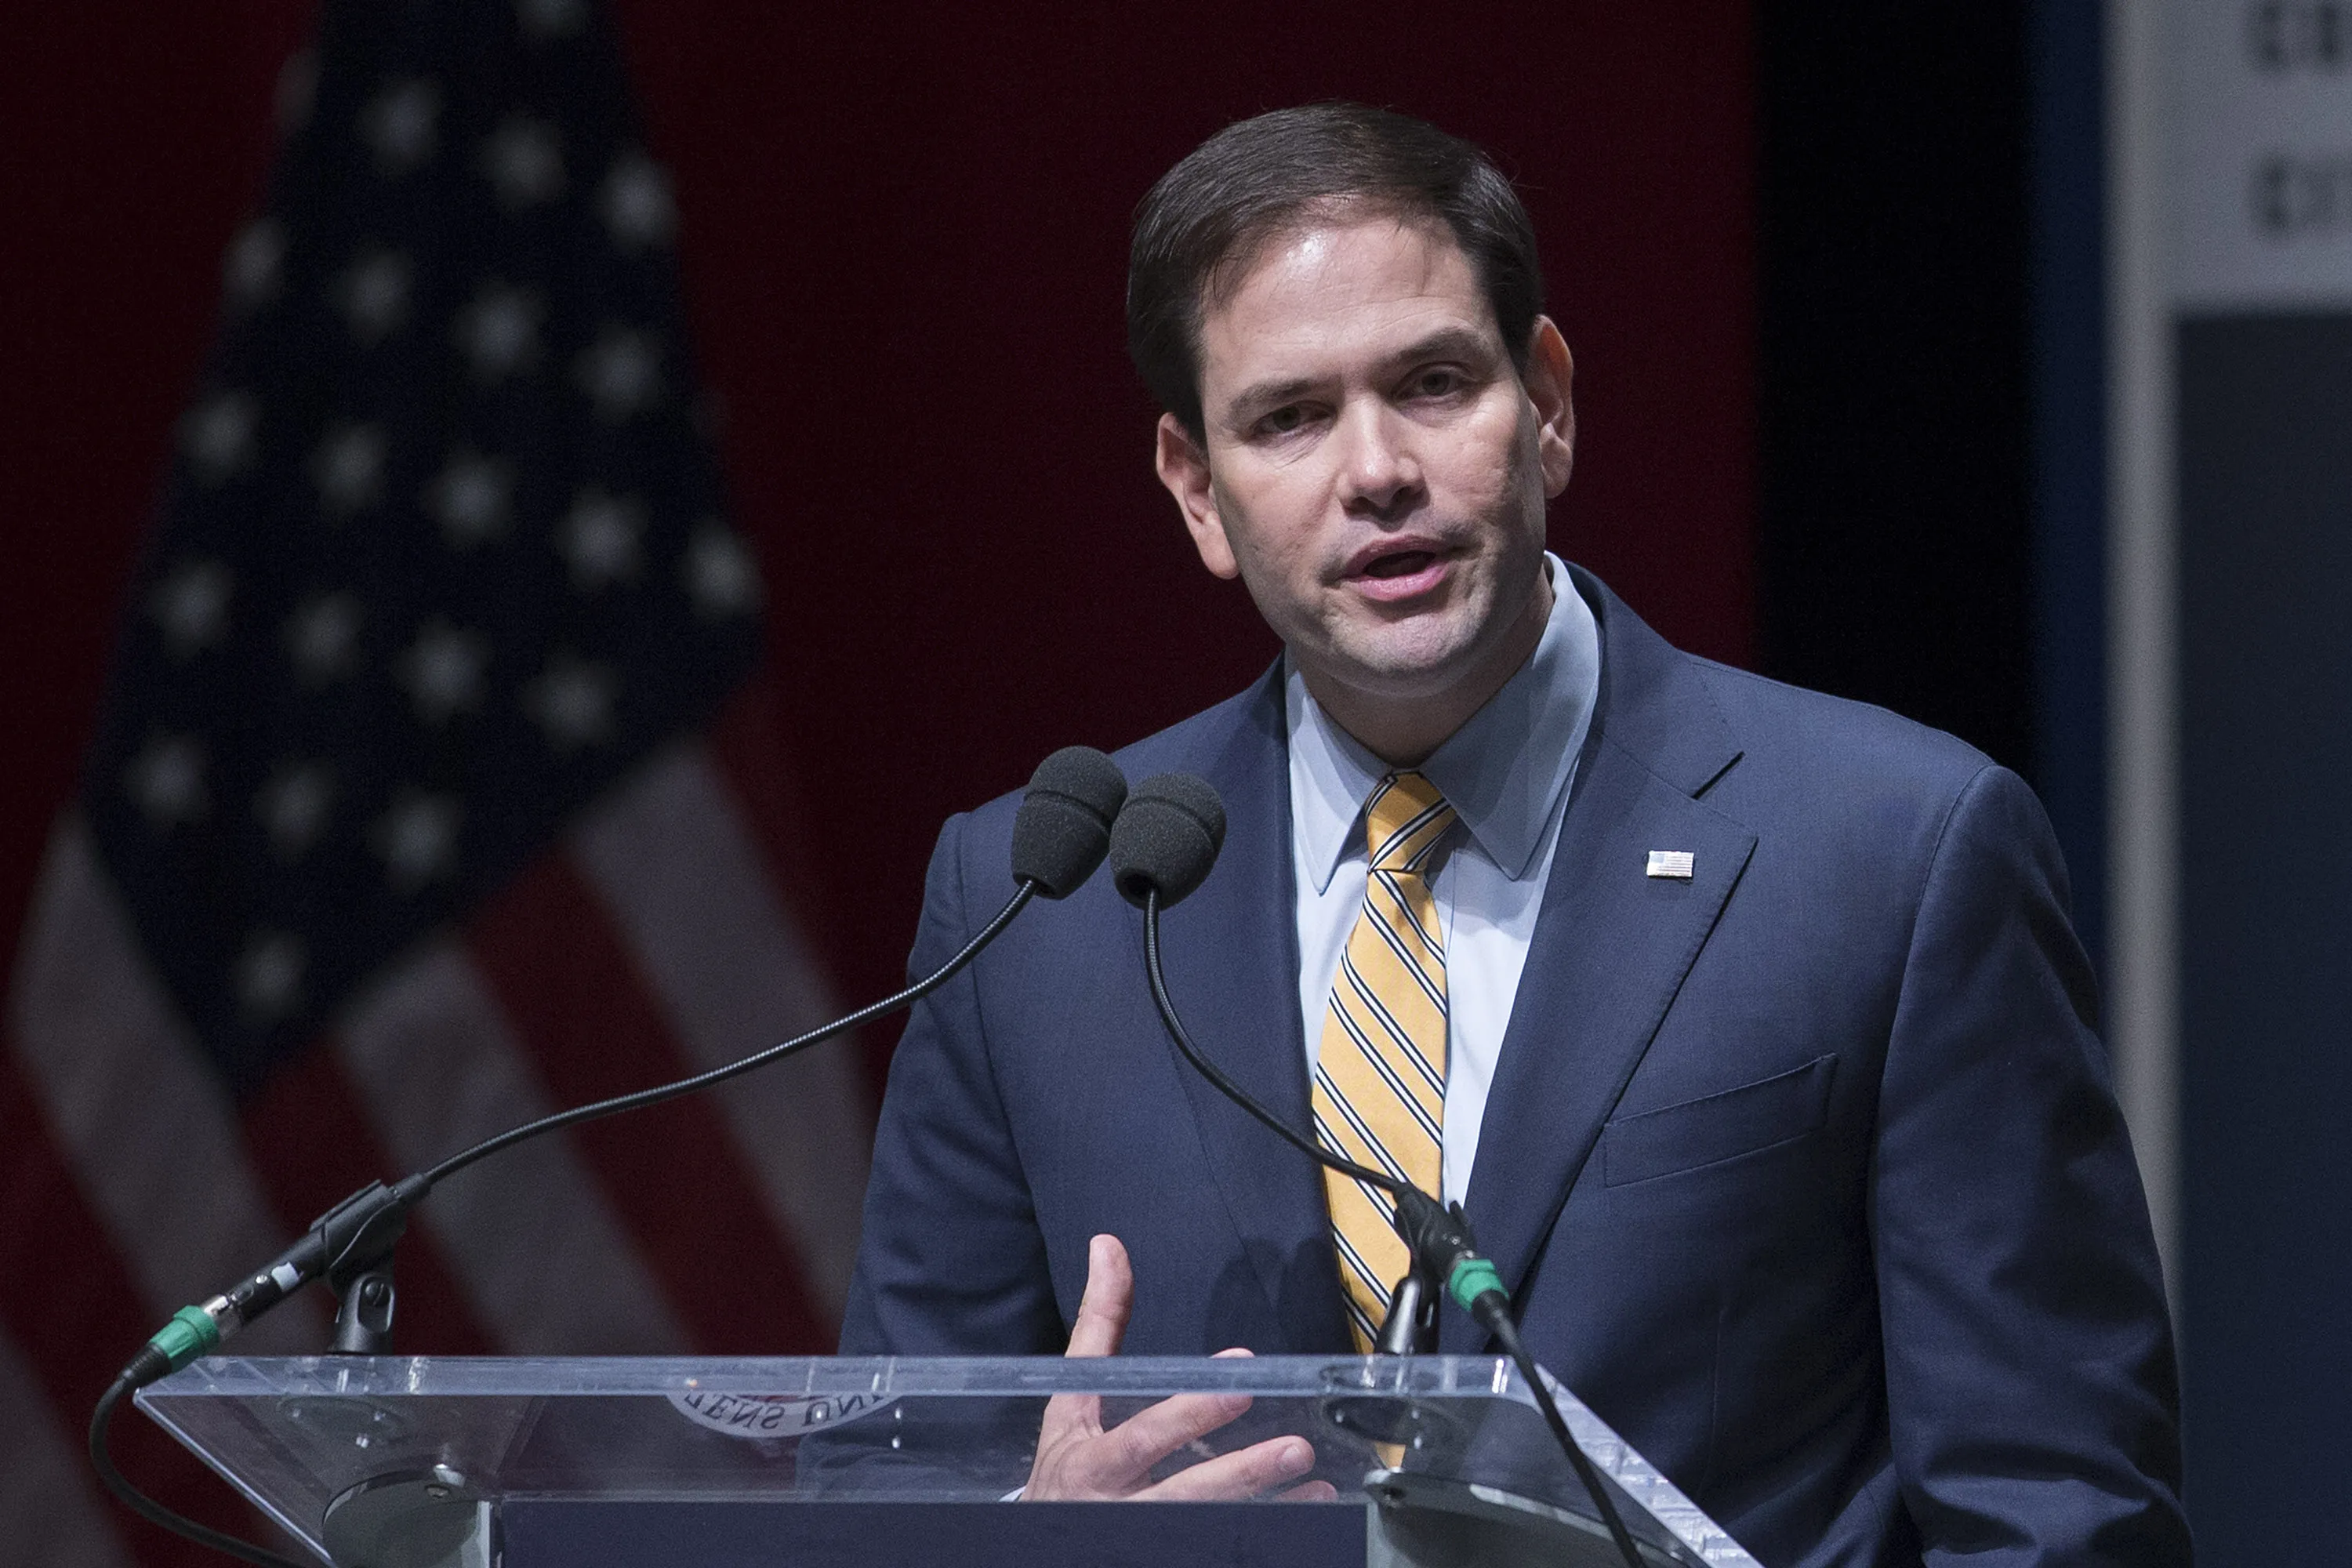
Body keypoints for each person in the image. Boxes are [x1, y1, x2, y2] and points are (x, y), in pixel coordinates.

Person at [839, 103, 2189, 1564]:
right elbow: (868, 1495)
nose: (1375, 471)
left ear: (1545, 401)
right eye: (1289, 419)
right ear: (1197, 489)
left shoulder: (1890, 854)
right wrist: (1026, 1539)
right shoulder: (1041, 913)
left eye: (1431, 384)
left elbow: (2059, 1516)